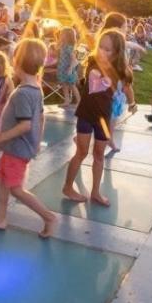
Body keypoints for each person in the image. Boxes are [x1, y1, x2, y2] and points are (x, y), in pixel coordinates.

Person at [0, 38, 57, 238]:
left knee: (15, 188)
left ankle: (48, 217)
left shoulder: (23, 93)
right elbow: (40, 117)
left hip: (17, 148)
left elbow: (25, 125)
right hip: (17, 148)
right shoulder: (35, 87)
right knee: (0, 179)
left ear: (17, 62)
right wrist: (37, 142)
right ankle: (0, 218)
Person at [61, 29, 128, 206]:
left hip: (104, 119)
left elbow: (125, 83)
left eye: (108, 50)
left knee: (99, 154)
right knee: (81, 152)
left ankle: (96, 192)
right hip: (86, 114)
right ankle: (68, 187)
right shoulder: (93, 66)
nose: (102, 52)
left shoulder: (118, 70)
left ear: (117, 53)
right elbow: (94, 85)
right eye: (101, 47)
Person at [56, 27, 81, 109]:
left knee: (72, 85)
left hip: (68, 69)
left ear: (66, 36)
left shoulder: (69, 47)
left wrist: (70, 69)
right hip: (63, 68)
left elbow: (74, 60)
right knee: (64, 84)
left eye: (62, 34)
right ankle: (67, 100)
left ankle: (79, 101)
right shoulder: (63, 46)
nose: (60, 35)